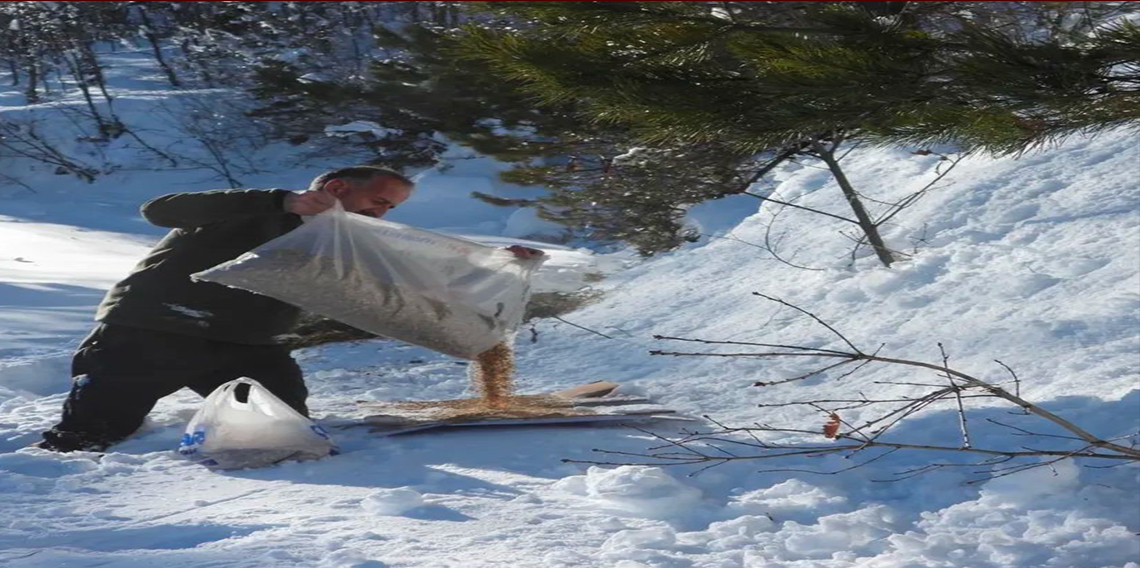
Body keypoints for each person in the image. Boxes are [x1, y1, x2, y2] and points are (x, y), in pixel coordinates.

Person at [38, 165, 542, 452]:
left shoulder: (354, 241)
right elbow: (159, 210)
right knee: (91, 433)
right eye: (380, 202)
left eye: (392, 209)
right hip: (155, 325)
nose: (383, 214)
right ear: (339, 188)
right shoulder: (262, 207)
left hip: (248, 345)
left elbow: (423, 270)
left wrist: (500, 262)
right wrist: (281, 200)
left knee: (286, 432)